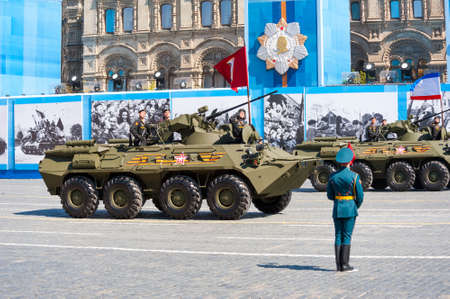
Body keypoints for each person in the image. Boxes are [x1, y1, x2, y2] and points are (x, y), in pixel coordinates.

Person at [327, 147, 364, 272]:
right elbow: (360, 196)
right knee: (347, 236)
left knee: (338, 235)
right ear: (349, 161)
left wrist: (338, 200)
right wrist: (355, 206)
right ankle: (345, 264)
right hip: (350, 208)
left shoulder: (333, 176)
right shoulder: (354, 176)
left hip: (337, 207)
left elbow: (329, 195)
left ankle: (338, 265)